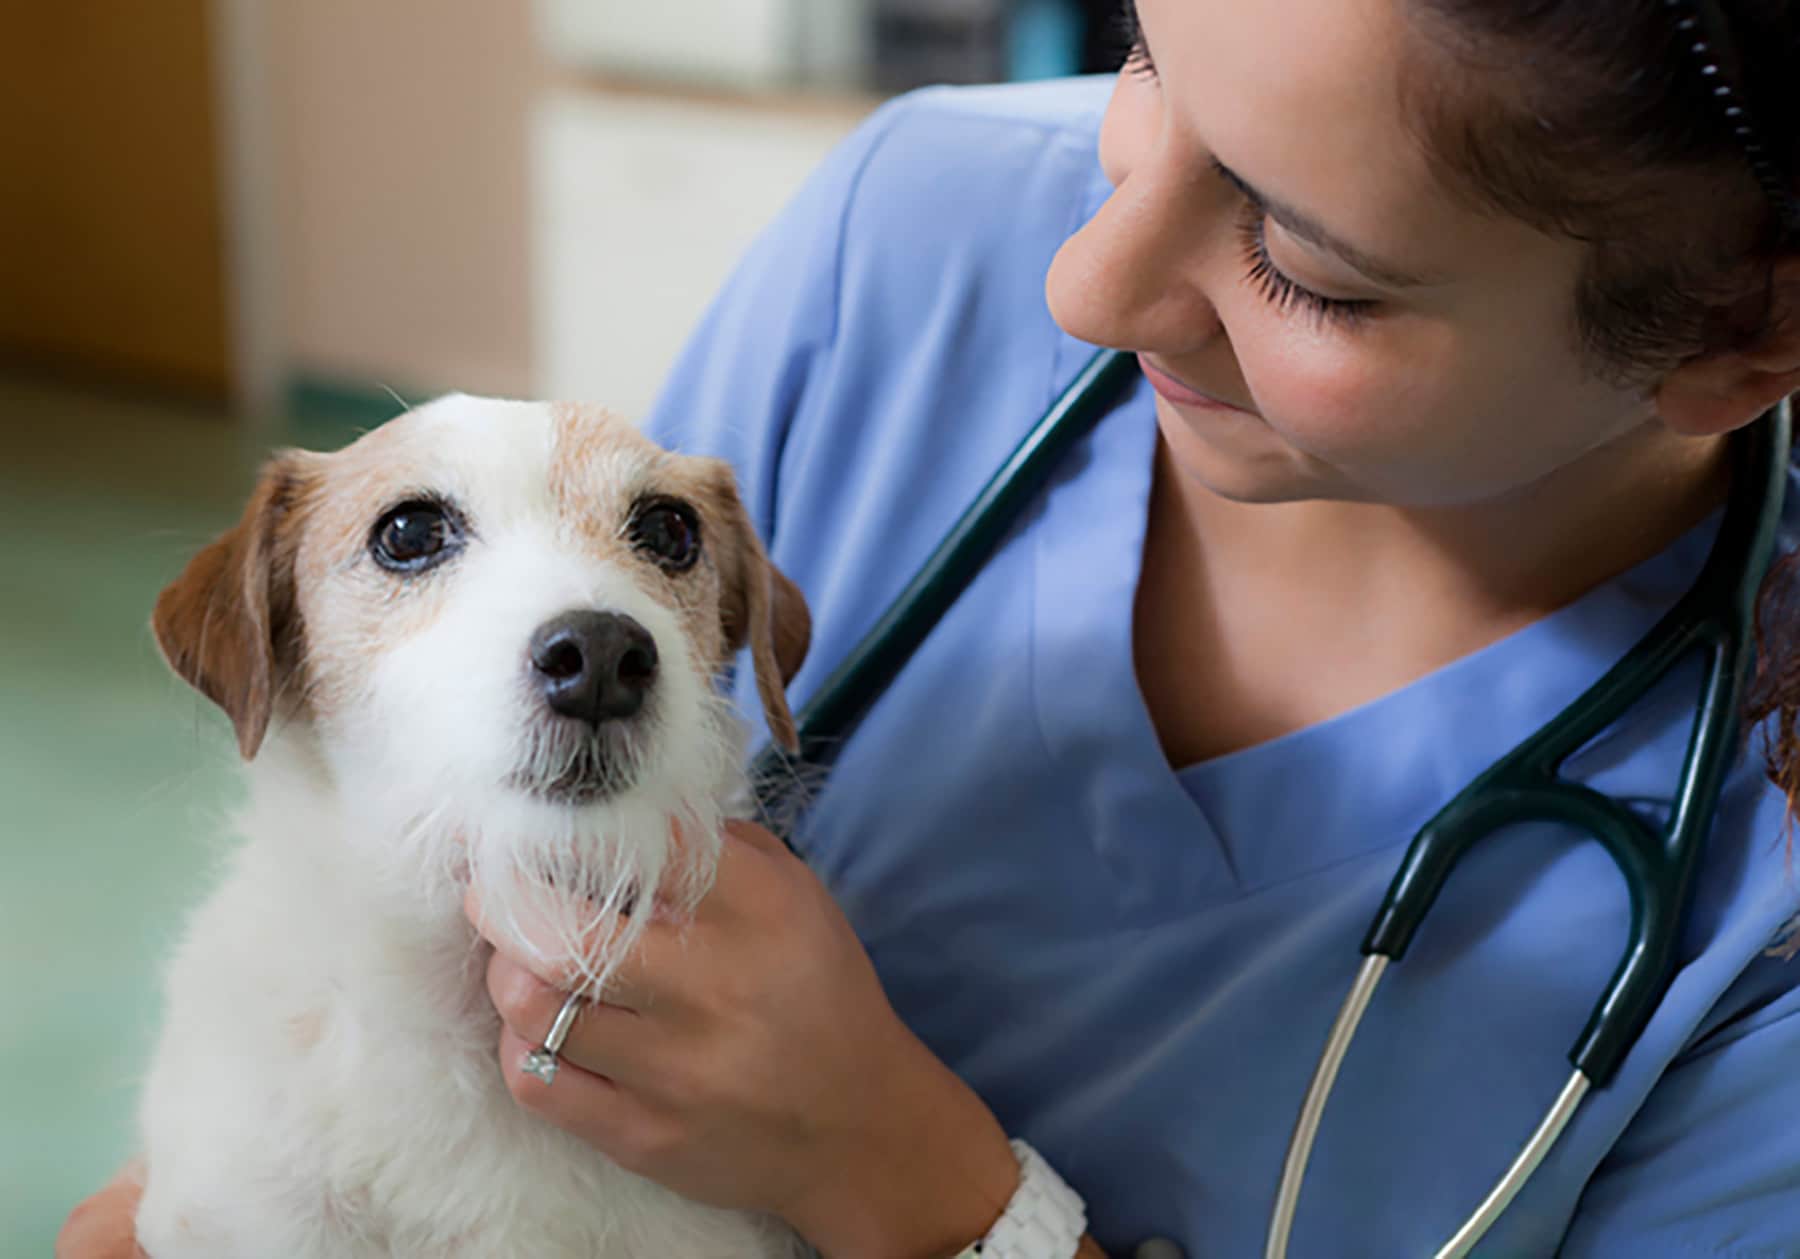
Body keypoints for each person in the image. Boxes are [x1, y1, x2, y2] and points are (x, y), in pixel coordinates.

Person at [61, 0, 1800, 1255]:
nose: (1082, 287)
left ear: (1738, 337)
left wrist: (910, 1181)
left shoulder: (1759, 939)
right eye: (1139, 54)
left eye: (1307, 266)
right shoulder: (916, 227)